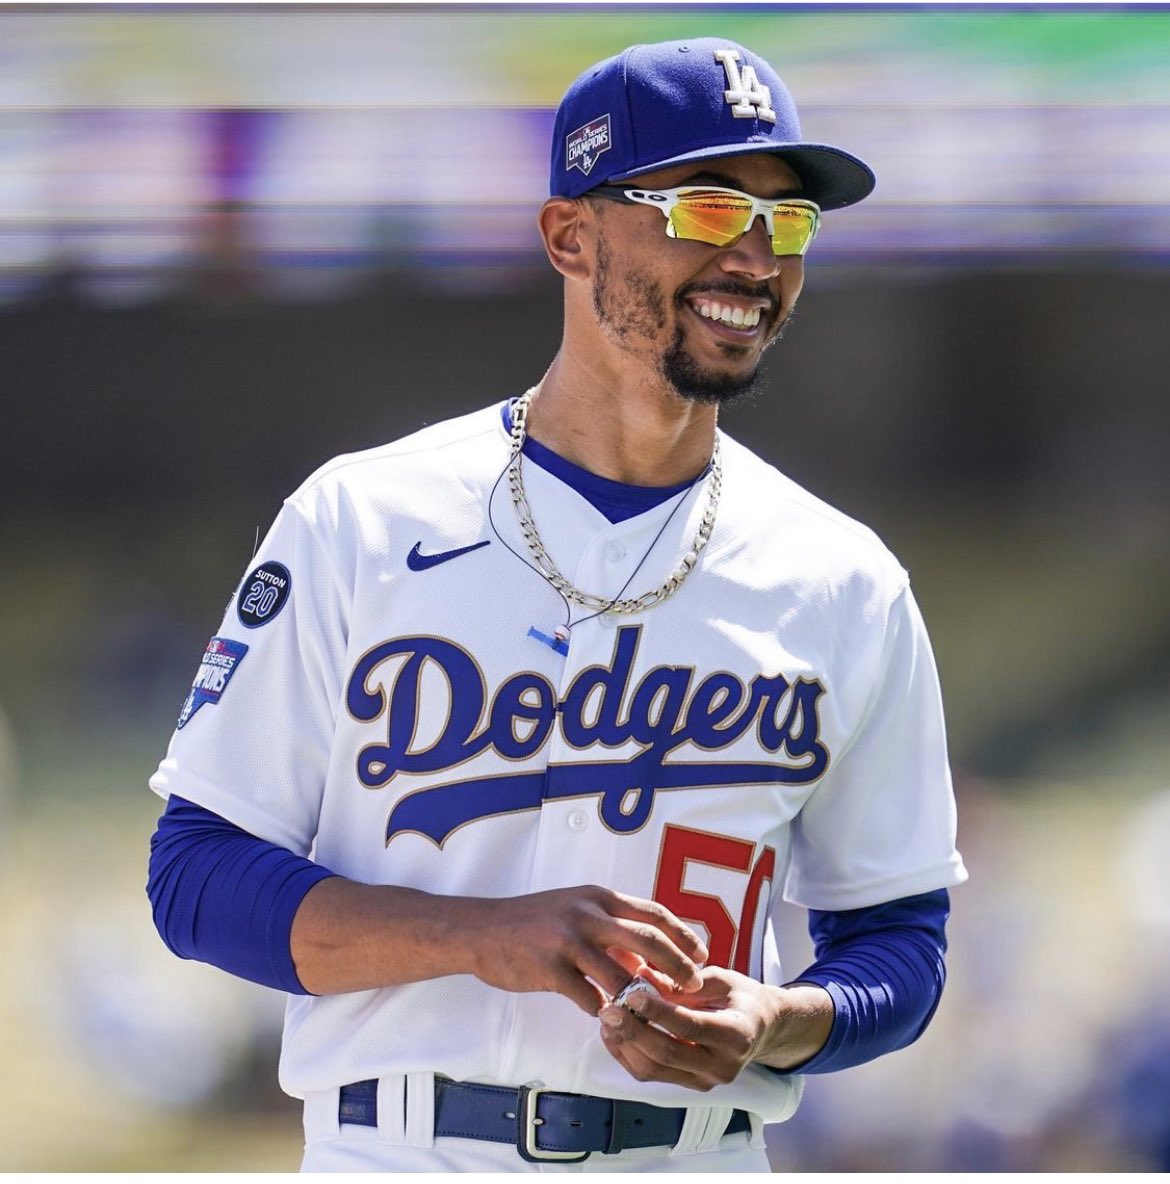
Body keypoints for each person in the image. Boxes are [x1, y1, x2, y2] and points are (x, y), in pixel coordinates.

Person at [148, 37, 967, 1173]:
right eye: (706, 206)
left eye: (787, 223)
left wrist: (774, 1020)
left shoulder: (842, 576)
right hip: (406, 1147)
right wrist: (480, 936)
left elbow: (899, 943)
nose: (756, 256)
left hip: (695, 1151)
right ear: (570, 236)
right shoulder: (364, 518)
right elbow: (195, 877)